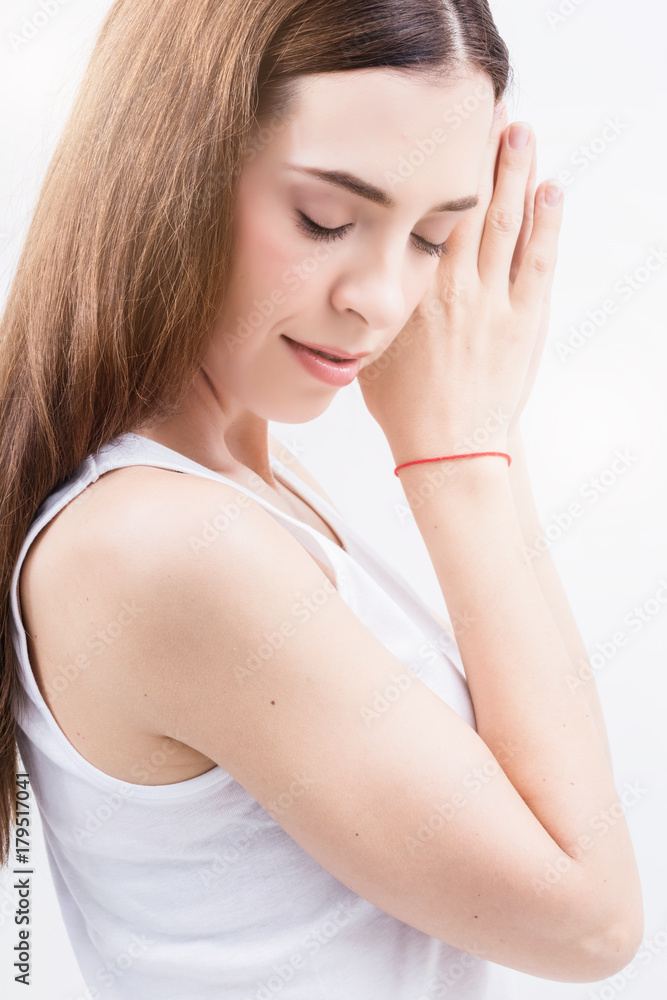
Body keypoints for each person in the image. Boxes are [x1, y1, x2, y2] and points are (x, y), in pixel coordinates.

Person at [0, 1, 643, 998]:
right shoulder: (162, 546)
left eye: (434, 236)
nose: (380, 298)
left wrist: (472, 440)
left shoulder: (250, 484)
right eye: (325, 219)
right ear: (168, 167)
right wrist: (460, 456)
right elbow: (591, 921)